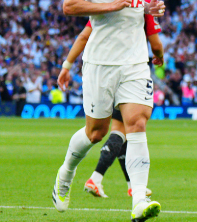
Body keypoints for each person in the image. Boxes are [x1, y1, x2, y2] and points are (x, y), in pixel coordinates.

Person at [53, 0, 165, 222]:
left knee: (137, 124)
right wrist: (110, 4)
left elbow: (135, 6)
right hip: (101, 62)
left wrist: (150, 8)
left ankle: (139, 199)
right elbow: (69, 5)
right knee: (96, 132)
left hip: (134, 61)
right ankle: (67, 173)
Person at [58, 12, 165, 200]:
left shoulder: (106, 3)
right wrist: (159, 56)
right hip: (130, 76)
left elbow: (84, 35)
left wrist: (67, 65)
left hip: (103, 73)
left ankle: (131, 187)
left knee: (119, 133)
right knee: (123, 131)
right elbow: (156, 44)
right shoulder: (142, 5)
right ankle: (98, 179)